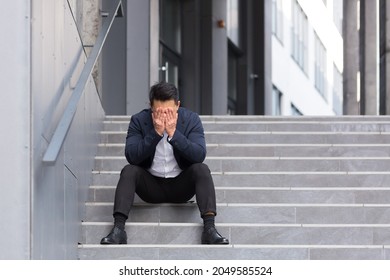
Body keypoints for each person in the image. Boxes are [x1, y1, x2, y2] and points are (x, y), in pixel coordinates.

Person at [100, 81, 229, 245]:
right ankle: (118, 229)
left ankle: (209, 229)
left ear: (178, 106)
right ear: (150, 107)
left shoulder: (191, 120)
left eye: (169, 111)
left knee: (202, 169)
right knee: (129, 170)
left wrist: (174, 134)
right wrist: (155, 133)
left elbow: (199, 155)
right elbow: (132, 156)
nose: (164, 116)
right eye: (158, 112)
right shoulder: (139, 120)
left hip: (181, 186)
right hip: (151, 187)